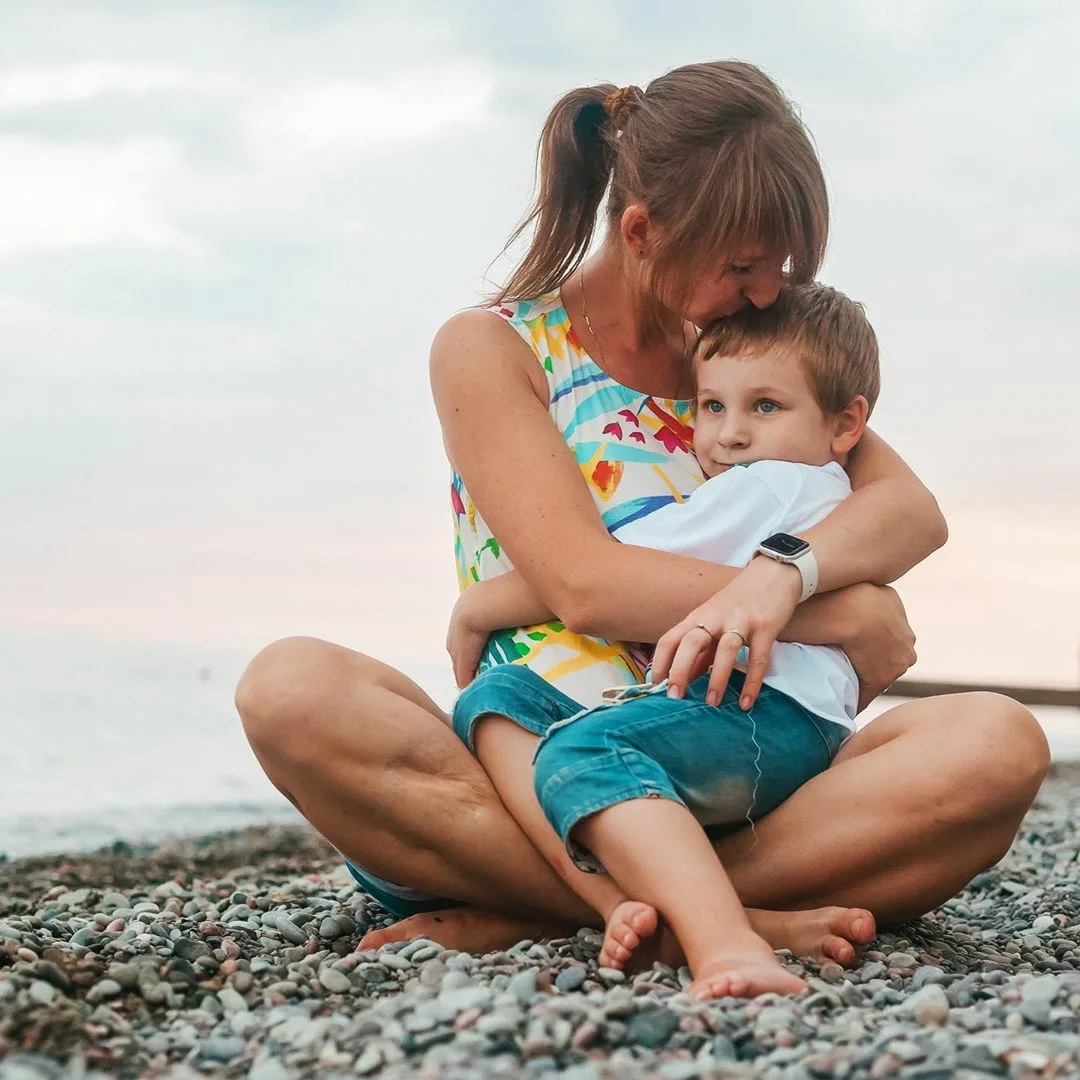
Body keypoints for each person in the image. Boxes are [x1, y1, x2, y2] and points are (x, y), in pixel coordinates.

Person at [234, 61, 1049, 965]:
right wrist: (845, 611)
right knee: (291, 689)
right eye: (743, 265)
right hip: (527, 768)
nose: (769, 291)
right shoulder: (497, 348)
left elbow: (909, 512)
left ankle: (576, 909)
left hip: (732, 766)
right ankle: (706, 911)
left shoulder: (743, 361)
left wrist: (785, 575)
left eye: (781, 266)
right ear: (641, 231)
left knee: (998, 743)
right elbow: (586, 585)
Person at [447, 282, 892, 998]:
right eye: (712, 406)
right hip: (761, 715)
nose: (729, 433)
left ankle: (725, 944)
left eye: (764, 407)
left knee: (587, 749)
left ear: (846, 425)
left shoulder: (771, 485)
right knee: (501, 702)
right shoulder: (809, 485)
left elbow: (618, 565)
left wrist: (480, 606)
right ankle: (700, 909)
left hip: (763, 716)